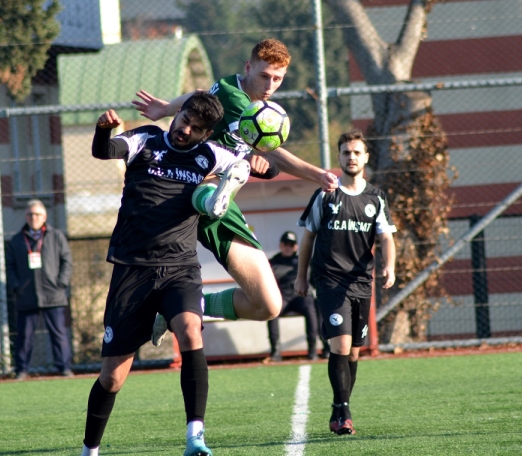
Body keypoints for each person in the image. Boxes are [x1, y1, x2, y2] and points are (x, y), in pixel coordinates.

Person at [133, 38, 338, 341]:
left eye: (278, 79)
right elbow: (273, 151)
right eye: (264, 75)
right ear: (248, 67)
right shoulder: (236, 98)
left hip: (223, 200)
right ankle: (209, 199)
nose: (270, 85)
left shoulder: (239, 95)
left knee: (268, 304)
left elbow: (200, 94)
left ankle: (185, 307)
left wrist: (166, 108)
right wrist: (317, 174)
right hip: (192, 188)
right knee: (213, 179)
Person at [81, 91, 248, 456]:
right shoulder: (147, 138)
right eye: (183, 119)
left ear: (206, 134)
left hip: (180, 267)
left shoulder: (210, 155)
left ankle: (195, 437)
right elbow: (104, 152)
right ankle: (89, 450)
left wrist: (254, 168)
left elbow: (248, 166)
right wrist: (102, 131)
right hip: (132, 270)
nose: (184, 129)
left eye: (195, 128)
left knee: (190, 330)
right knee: (112, 377)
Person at [295, 129, 396, 436]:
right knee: (340, 345)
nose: (351, 157)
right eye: (345, 152)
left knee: (353, 352)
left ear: (365, 157)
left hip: (361, 283)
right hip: (329, 280)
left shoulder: (376, 197)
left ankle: (340, 406)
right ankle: (343, 412)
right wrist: (301, 276)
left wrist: (389, 266)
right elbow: (308, 236)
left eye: (356, 152)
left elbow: (386, 237)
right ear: (338, 157)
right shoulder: (326, 194)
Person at [7, 199, 74, 379]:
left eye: (37, 214)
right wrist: (16, 286)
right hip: (27, 295)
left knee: (59, 334)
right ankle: (21, 370)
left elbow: (67, 261)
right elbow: (10, 266)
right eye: (30, 214)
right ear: (25, 216)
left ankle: (64, 368)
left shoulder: (56, 236)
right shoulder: (16, 240)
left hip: (53, 294)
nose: (33, 217)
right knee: (25, 337)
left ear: (44, 217)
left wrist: (61, 283)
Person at [265, 230, 322, 362]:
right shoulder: (273, 262)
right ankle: (276, 351)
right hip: (282, 296)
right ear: (280, 245)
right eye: (285, 243)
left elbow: (314, 280)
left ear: (296, 246)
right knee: (271, 310)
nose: (288, 247)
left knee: (311, 306)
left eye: (291, 244)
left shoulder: (303, 260)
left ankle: (313, 350)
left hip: (300, 296)